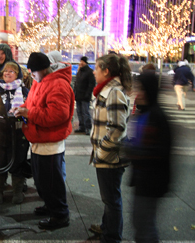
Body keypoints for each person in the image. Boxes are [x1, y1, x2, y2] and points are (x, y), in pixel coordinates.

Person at [13, 52, 74, 230]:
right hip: (40, 140)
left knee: (51, 183)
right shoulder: (40, 81)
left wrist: (28, 113)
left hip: (50, 143)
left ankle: (60, 215)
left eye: (33, 72)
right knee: (42, 182)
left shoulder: (58, 84)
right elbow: (32, 104)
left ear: (43, 69)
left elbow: (58, 115)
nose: (32, 75)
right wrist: (22, 108)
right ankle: (51, 206)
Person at [89, 54, 132, 243]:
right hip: (107, 156)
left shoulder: (114, 92)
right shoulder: (106, 90)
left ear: (106, 71)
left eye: (96, 68)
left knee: (111, 199)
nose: (93, 71)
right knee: (109, 197)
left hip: (110, 158)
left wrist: (101, 151)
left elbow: (117, 128)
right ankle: (107, 228)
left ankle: (112, 236)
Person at [125, 72, 172, 242]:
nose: (139, 94)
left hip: (152, 181)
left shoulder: (157, 117)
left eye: (142, 89)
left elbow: (157, 151)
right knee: (141, 223)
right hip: (143, 178)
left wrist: (131, 151)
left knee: (144, 225)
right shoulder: (145, 113)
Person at [0, 61, 30, 204]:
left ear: (18, 74)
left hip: (18, 132)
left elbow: (31, 109)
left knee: (18, 160)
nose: (7, 73)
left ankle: (17, 191)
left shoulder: (24, 91)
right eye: (5, 71)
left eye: (11, 71)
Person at [47, 50, 68, 182]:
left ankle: (59, 185)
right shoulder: (57, 76)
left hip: (56, 128)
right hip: (57, 128)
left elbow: (60, 112)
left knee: (58, 159)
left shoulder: (57, 79)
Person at [74, 56, 96, 135]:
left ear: (85, 62)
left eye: (82, 61)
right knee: (79, 111)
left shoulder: (89, 72)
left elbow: (91, 84)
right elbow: (76, 83)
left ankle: (88, 127)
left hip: (85, 96)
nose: (81, 63)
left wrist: (88, 94)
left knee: (85, 112)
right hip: (78, 95)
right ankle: (82, 126)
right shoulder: (80, 71)